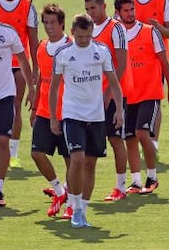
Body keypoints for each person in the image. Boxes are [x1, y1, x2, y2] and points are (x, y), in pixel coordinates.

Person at [49, 13, 123, 228]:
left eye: (88, 36)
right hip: (73, 115)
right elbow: (53, 89)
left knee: (90, 164)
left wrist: (119, 111)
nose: (84, 41)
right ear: (72, 33)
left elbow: (114, 83)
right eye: (80, 37)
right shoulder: (63, 54)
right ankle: (73, 205)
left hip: (97, 116)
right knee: (78, 159)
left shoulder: (101, 51)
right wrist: (54, 117)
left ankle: (82, 209)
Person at [114, 0, 169, 194]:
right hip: (127, 95)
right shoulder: (116, 35)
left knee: (143, 133)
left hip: (149, 93)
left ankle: (151, 177)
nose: (130, 13)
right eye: (126, 10)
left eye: (132, 9)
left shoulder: (150, 32)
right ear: (118, 13)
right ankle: (135, 181)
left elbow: (164, 62)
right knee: (130, 139)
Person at [0, 0, 35, 206]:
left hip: (3, 97)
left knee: (2, 141)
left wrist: (32, 88)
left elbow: (23, 59)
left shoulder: (7, 33)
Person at [126, 0, 169, 155]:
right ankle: (136, 137)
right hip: (131, 60)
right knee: (133, 99)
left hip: (156, 60)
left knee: (153, 99)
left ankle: (153, 140)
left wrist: (158, 27)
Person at [84, 0, 128, 201]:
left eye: (93, 8)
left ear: (103, 7)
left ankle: (121, 187)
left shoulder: (115, 28)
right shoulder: (87, 30)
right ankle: (70, 186)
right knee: (86, 140)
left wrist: (110, 92)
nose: (90, 12)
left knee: (115, 139)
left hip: (111, 95)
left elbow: (121, 63)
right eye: (87, 9)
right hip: (92, 94)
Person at [30, 3, 73, 218]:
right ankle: (59, 190)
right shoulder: (41, 47)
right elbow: (41, 81)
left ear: (62, 23)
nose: (48, 27)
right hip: (45, 112)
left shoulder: (73, 46)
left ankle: (72, 204)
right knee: (36, 153)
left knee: (70, 160)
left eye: (52, 23)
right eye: (45, 23)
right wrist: (35, 106)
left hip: (68, 113)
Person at [0, 0, 39, 168]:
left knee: (15, 106)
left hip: (17, 64)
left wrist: (36, 68)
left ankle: (13, 153)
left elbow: (33, 40)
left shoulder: (27, 6)